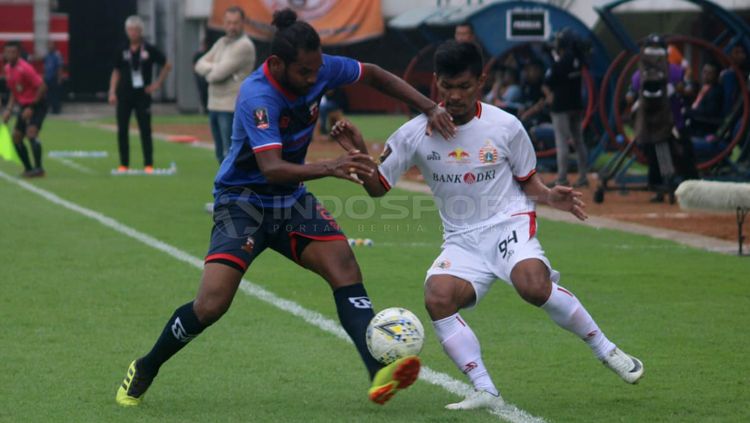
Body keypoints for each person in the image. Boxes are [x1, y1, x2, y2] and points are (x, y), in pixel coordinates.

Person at [115, 8, 455, 408]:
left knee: (344, 267)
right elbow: (270, 167)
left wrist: (428, 107)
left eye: (317, 70)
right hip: (243, 202)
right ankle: (146, 365)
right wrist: (330, 165)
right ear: (276, 64)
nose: (314, 79)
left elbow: (375, 73)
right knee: (211, 304)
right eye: (305, 73)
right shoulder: (258, 95)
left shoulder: (320, 66)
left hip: (289, 199)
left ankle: (377, 370)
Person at [331, 40, 644, 411]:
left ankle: (606, 350)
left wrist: (547, 195)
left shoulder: (506, 126)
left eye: (464, 86)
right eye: (447, 87)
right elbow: (378, 188)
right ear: (435, 83)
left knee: (532, 285)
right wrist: (358, 154)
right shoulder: (415, 133)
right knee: (438, 297)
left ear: (481, 81)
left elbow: (528, 180)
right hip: (461, 239)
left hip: (507, 223)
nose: (455, 95)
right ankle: (484, 389)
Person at [108, 15, 172, 174]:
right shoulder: (122, 49)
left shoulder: (149, 49)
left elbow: (167, 64)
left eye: (136, 30)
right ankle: (124, 164)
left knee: (145, 129)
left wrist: (157, 84)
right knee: (122, 129)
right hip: (124, 95)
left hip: (142, 95)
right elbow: (116, 72)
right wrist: (112, 91)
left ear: (141, 31)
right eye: (130, 30)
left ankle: (148, 164)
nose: (133, 33)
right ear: (126, 31)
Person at [194, 6, 256, 164]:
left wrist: (212, 67)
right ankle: (226, 187)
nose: (232, 27)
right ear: (224, 23)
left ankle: (233, 187)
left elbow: (216, 75)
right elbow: (198, 64)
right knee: (220, 154)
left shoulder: (244, 45)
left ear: (243, 23)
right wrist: (215, 68)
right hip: (214, 104)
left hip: (231, 107)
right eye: (228, 22)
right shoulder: (222, 42)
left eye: (235, 23)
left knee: (231, 154)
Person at [544, 28, 588, 187]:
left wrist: (553, 57)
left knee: (562, 141)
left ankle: (562, 178)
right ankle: (583, 176)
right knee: (578, 140)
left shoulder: (561, 61)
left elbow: (549, 81)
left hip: (561, 106)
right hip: (576, 104)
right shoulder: (579, 58)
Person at [1, 41, 48, 177]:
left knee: (31, 133)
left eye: (13, 52)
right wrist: (8, 110)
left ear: (19, 53)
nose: (10, 55)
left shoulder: (25, 68)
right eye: (7, 52)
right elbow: (13, 91)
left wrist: (32, 107)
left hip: (37, 104)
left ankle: (39, 169)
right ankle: (28, 168)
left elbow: (42, 86)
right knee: (16, 137)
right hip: (24, 105)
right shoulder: (8, 68)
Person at [43, 41, 64, 114]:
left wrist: (59, 78)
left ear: (54, 46)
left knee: (55, 94)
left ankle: (56, 109)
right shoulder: (47, 55)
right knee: (48, 95)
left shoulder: (57, 55)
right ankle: (51, 108)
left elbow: (60, 67)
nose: (49, 47)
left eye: (51, 45)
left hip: (54, 78)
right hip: (47, 78)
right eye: (48, 45)